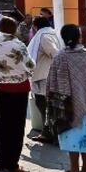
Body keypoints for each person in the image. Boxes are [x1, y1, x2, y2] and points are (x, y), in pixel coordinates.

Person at [47, 24, 86, 172]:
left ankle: (74, 170)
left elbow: (53, 83)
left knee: (72, 136)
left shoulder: (60, 56)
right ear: (78, 37)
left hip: (68, 104)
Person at [0, 16, 35, 172]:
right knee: (16, 127)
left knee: (1, 125)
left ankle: (0, 161)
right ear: (14, 29)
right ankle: (12, 163)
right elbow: (30, 66)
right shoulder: (18, 45)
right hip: (18, 89)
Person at [27, 15, 62, 143]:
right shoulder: (51, 33)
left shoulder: (44, 36)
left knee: (44, 105)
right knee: (43, 104)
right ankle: (47, 131)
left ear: (36, 26)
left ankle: (50, 132)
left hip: (44, 75)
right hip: (44, 74)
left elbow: (55, 53)